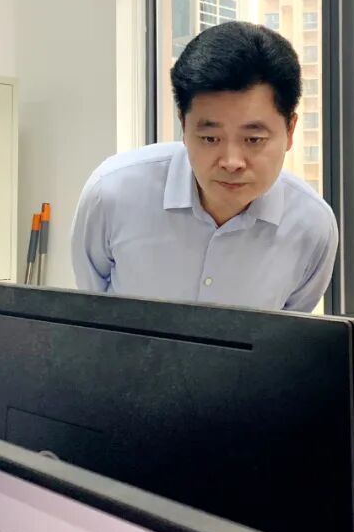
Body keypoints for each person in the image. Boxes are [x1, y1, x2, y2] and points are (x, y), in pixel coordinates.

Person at [71, 21, 338, 313]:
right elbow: (92, 310)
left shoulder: (312, 227)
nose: (232, 162)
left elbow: (286, 332)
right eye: (210, 138)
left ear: (290, 131)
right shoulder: (112, 194)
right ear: (184, 126)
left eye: (254, 139)